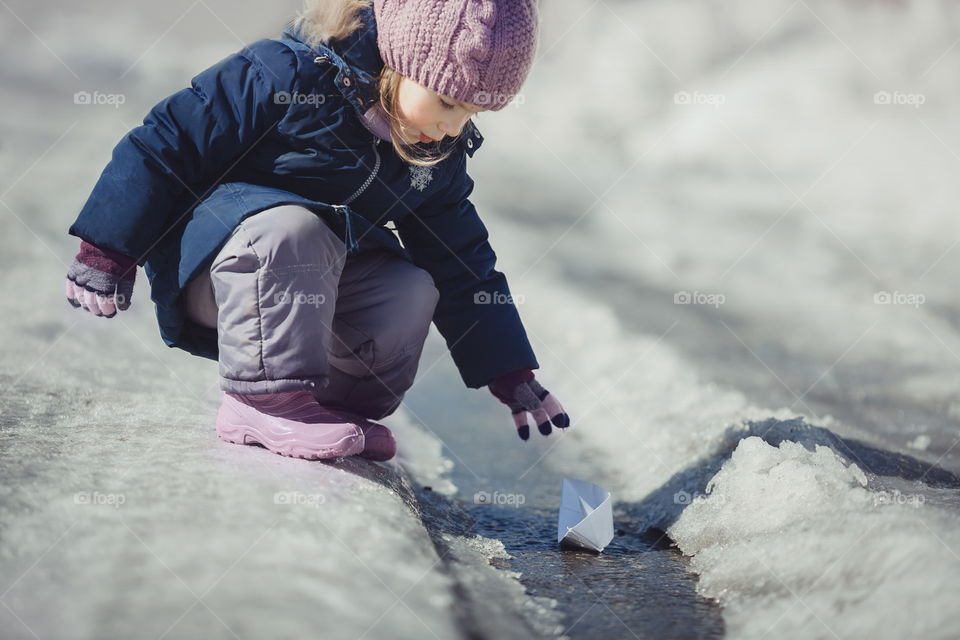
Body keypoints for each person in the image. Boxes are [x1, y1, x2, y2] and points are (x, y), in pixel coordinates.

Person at [64, 0, 571, 462]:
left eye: (471, 113)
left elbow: (462, 261)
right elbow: (165, 143)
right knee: (295, 230)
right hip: (221, 273)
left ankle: (325, 404)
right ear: (402, 58)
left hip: (310, 286)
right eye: (445, 101)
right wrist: (108, 249)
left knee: (411, 287)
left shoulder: (431, 154)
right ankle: (263, 401)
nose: (452, 127)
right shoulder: (286, 76)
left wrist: (507, 369)